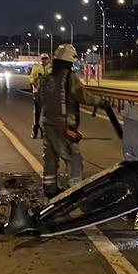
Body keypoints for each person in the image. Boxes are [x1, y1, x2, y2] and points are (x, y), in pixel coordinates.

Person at [38, 44, 109, 198]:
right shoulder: (69, 77)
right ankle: (75, 192)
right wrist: (100, 102)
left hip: (47, 123)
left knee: (50, 157)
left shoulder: (46, 77)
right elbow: (82, 96)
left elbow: (39, 99)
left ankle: (49, 188)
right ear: (69, 61)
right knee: (73, 157)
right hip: (64, 126)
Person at [29, 53, 50, 138]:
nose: (44, 60)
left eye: (46, 58)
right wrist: (34, 80)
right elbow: (31, 78)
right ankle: (35, 129)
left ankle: (44, 130)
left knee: (47, 113)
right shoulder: (36, 68)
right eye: (43, 59)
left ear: (48, 59)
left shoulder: (51, 68)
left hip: (48, 94)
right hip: (37, 92)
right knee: (37, 112)